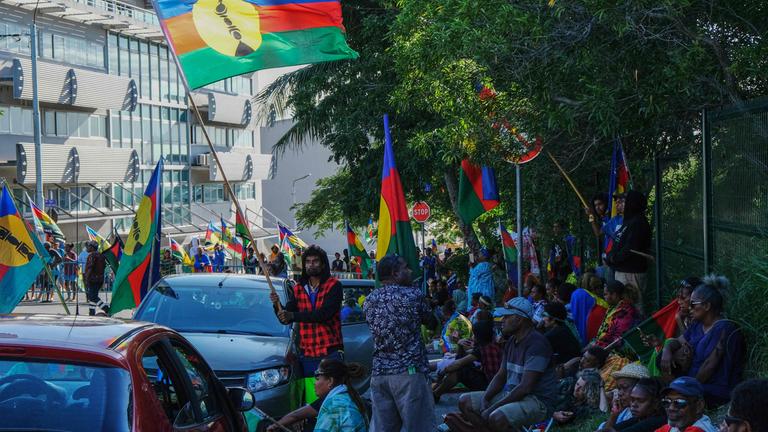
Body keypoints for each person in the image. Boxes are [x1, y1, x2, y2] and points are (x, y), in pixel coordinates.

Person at [453, 297, 559, 432]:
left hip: (537, 401)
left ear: (519, 319)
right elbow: (500, 375)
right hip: (513, 394)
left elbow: (525, 387)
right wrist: (486, 398)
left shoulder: (537, 344)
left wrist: (492, 407)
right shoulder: (511, 342)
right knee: (465, 401)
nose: (502, 320)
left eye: (506, 317)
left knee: (496, 417)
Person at [363, 255, 436, 431]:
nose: (410, 271)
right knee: (419, 427)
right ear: (395, 273)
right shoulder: (413, 295)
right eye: (406, 268)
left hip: (380, 374)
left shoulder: (369, 300)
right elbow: (432, 322)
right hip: (409, 373)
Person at [270, 245, 343, 404]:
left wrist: (293, 315)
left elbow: (324, 314)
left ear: (323, 264)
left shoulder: (334, 285)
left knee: (334, 400)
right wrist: (277, 306)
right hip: (308, 353)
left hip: (330, 351)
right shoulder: (298, 288)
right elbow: (286, 318)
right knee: (313, 399)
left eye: (315, 261)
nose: (311, 265)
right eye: (308, 262)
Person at [660, 275, 745, 407]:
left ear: (706, 306)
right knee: (660, 362)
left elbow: (709, 365)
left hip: (714, 389)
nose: (689, 308)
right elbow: (677, 342)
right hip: (692, 383)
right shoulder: (697, 325)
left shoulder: (725, 328)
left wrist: (686, 389)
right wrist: (666, 350)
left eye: (693, 304)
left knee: (664, 397)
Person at [433, 320, 502, 403]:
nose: (472, 337)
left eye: (474, 335)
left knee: (459, 371)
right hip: (493, 382)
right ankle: (436, 391)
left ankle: (436, 394)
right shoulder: (491, 344)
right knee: (460, 368)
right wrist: (460, 345)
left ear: (478, 336)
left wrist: (443, 372)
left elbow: (459, 363)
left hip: (491, 385)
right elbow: (463, 357)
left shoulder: (483, 349)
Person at [606, 190, 651, 309]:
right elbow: (619, 242)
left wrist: (613, 258)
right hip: (622, 271)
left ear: (632, 203)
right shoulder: (629, 221)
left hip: (631, 273)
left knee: (633, 308)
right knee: (623, 308)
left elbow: (630, 248)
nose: (620, 204)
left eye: (624, 201)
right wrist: (611, 256)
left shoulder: (639, 222)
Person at [312, 359, 368, 432]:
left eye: (317, 379)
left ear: (330, 381)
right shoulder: (350, 398)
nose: (315, 383)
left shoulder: (333, 405)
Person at [599, 363, 651, 431]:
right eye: (619, 388)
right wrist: (614, 415)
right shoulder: (624, 411)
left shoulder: (639, 414)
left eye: (625, 387)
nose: (620, 393)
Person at [594, 280, 639, 348]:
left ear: (614, 295)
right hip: (605, 346)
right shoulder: (613, 308)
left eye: (605, 294)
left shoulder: (625, 312)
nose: (604, 297)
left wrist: (598, 346)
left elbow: (618, 340)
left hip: (616, 350)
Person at [571, 272, 609, 345]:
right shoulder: (600, 303)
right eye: (599, 287)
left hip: (582, 339)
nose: (601, 290)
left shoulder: (575, 294)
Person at [83, 241, 109, 315]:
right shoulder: (101, 255)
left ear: (92, 247)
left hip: (93, 279)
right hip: (100, 279)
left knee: (93, 296)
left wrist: (86, 278)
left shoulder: (92, 256)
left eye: (88, 246)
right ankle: (91, 312)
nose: (87, 248)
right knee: (92, 297)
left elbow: (90, 268)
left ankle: (106, 308)